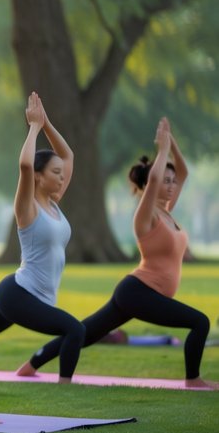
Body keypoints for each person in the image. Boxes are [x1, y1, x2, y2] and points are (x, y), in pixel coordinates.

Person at [17, 118, 215, 388]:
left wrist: (172, 144)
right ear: (147, 187)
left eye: (172, 182)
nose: (170, 185)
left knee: (85, 332)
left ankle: (31, 364)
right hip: (140, 291)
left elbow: (183, 172)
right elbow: (156, 177)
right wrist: (162, 150)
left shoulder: (168, 212)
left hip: (138, 293)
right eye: (164, 181)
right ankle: (193, 379)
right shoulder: (146, 215)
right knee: (200, 322)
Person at [0, 92, 83, 383]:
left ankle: (29, 366)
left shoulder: (54, 202)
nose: (62, 177)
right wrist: (33, 128)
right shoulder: (28, 208)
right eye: (55, 173)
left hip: (30, 295)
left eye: (62, 174)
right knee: (75, 330)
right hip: (19, 294)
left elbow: (69, 155)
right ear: (39, 176)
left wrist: (45, 122)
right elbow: (24, 165)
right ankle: (65, 388)